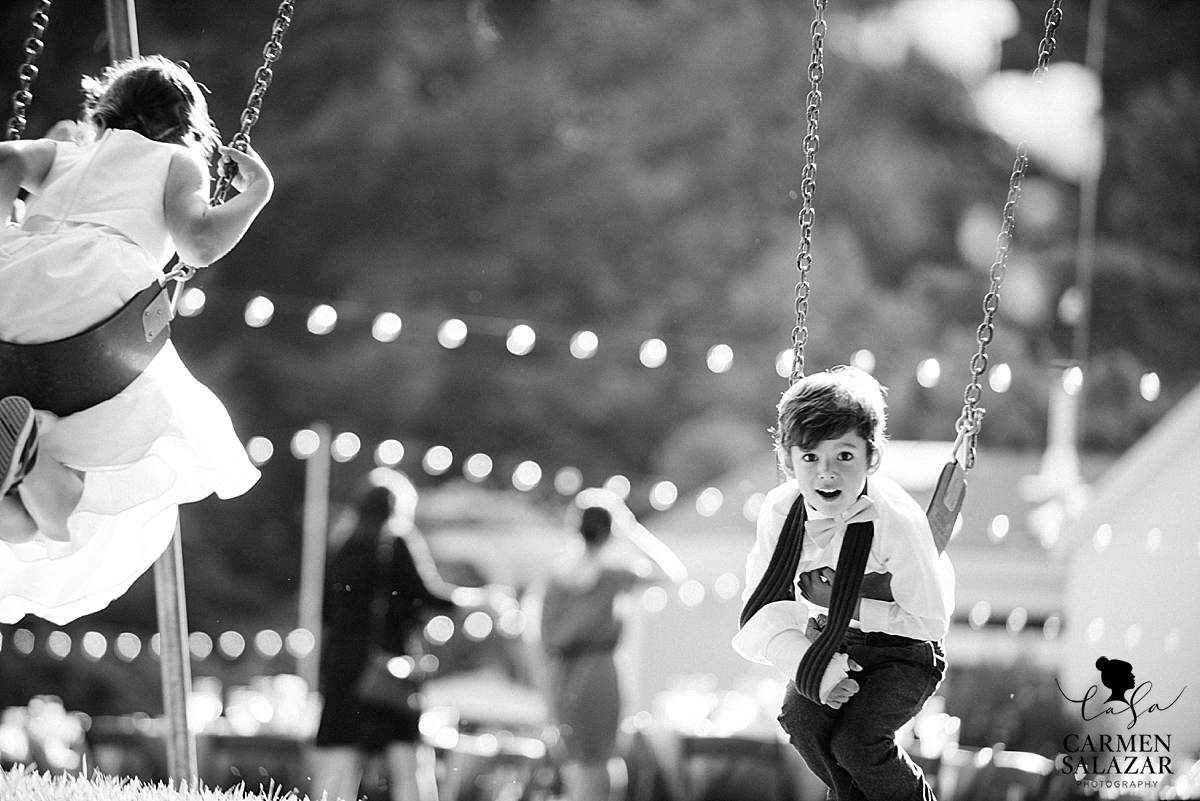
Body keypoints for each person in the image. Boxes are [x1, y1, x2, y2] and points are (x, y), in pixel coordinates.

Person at [0, 55, 272, 625]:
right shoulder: (177, 161)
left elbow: (4, 158)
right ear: (188, 126)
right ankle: (32, 462)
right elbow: (197, 243)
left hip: (10, 294)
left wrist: (7, 229)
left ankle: (32, 464)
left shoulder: (66, 152)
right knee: (147, 424)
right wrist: (255, 195)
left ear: (103, 108)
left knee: (29, 521)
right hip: (96, 305)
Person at [733, 366, 954, 801]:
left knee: (857, 743)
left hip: (906, 651)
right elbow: (761, 607)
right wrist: (813, 664)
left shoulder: (897, 520)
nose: (826, 474)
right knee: (800, 719)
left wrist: (842, 602)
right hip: (839, 641)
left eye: (844, 457)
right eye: (810, 457)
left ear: (872, 457)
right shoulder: (782, 512)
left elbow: (930, 622)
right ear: (787, 460)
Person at [310, 468, 503, 801]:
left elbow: (325, 612)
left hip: (344, 667)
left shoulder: (341, 546)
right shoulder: (397, 542)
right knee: (407, 761)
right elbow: (428, 595)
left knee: (341, 761)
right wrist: (480, 599)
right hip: (387, 668)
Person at [529, 488, 687, 801]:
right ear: (610, 531)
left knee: (579, 763)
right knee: (599, 762)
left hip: (563, 676)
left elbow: (539, 640)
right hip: (599, 673)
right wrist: (633, 530)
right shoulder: (613, 576)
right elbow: (672, 574)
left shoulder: (552, 579)